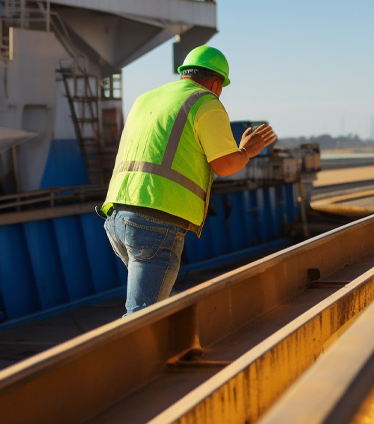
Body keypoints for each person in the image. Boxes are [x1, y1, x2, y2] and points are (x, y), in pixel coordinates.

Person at [100, 46, 276, 314]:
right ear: (216, 83)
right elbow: (225, 164)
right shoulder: (205, 101)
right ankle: (134, 355)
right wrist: (246, 151)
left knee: (155, 302)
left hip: (117, 217)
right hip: (157, 221)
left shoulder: (146, 98)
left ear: (184, 74)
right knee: (143, 316)